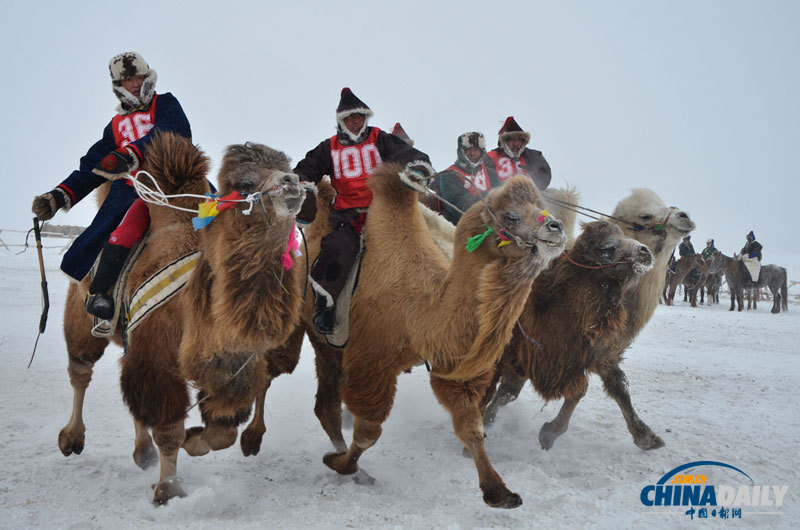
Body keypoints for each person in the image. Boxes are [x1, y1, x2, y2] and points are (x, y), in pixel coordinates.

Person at [31, 52, 192, 319]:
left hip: (176, 183)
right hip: (133, 191)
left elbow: (174, 131)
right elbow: (94, 165)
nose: (135, 83)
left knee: (219, 209)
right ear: (119, 85)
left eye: (139, 76)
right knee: (121, 228)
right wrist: (60, 195)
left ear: (148, 76)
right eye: (128, 79)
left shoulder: (166, 104)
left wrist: (131, 154)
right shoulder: (115, 126)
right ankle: (100, 292)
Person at [294, 88, 434, 335]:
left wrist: (418, 169)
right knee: (339, 249)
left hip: (385, 212)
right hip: (348, 216)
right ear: (342, 121)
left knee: (423, 242)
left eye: (360, 116)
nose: (356, 121)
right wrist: (302, 184)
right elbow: (307, 168)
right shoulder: (329, 148)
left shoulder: (380, 139)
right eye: (351, 117)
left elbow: (408, 154)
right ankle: (324, 306)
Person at [435, 132, 501, 225]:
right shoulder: (449, 175)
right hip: (458, 227)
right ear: (461, 152)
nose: (472, 154)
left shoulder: (490, 173)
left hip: (490, 225)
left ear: (482, 152)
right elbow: (459, 205)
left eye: (476, 150)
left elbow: (502, 197)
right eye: (468, 150)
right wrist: (491, 195)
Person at [485, 116, 551, 191]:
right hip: (499, 198)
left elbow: (544, 173)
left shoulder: (532, 156)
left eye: (519, 139)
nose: (516, 143)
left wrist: (529, 178)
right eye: (512, 139)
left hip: (528, 196)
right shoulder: (490, 157)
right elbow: (483, 179)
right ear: (504, 141)